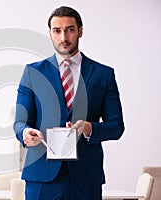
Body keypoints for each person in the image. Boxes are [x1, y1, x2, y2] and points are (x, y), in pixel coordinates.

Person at [13, 6, 125, 200]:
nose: (63, 37)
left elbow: (116, 126)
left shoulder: (103, 75)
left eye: (70, 29)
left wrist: (89, 127)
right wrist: (25, 133)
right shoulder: (33, 73)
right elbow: (20, 122)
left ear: (80, 31)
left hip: (85, 178)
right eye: (57, 31)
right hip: (42, 177)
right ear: (50, 33)